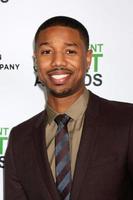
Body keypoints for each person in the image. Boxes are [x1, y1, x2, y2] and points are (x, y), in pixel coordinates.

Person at [5, 16, 133, 200]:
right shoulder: (20, 138)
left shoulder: (127, 121)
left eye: (70, 51)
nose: (58, 62)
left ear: (88, 58)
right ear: (36, 61)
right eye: (47, 51)